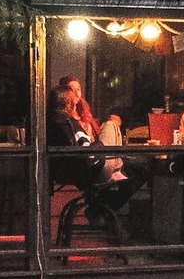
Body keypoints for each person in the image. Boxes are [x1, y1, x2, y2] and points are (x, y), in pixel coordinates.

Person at [46, 85, 143, 220]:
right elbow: (83, 151)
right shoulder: (64, 124)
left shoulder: (61, 122)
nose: (76, 97)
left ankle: (100, 203)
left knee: (136, 170)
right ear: (67, 102)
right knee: (111, 125)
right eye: (73, 95)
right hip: (92, 168)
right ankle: (114, 177)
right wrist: (97, 145)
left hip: (89, 165)